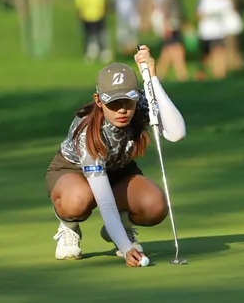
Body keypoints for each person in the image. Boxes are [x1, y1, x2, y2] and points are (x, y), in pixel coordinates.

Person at [45, 46, 186, 267]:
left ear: (136, 97)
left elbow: (176, 133)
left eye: (127, 101)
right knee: (79, 199)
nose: (122, 110)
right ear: (98, 100)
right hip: (73, 172)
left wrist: (152, 80)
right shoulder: (88, 132)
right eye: (113, 103)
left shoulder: (140, 106)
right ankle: (69, 227)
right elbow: (105, 203)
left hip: (118, 170)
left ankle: (120, 227)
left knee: (155, 205)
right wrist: (126, 248)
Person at [196, 0, 235, 80]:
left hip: (219, 31)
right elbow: (199, 14)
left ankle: (220, 73)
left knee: (220, 51)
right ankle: (201, 72)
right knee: (206, 54)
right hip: (207, 31)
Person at [157, 0, 189, 81]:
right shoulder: (168, 0)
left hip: (176, 28)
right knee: (177, 50)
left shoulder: (178, 1)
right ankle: (182, 74)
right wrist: (166, 28)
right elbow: (164, 14)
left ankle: (159, 74)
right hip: (170, 29)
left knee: (167, 53)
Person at [74, 0, 111, 64]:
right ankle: (90, 53)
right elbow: (79, 5)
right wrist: (80, 14)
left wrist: (103, 13)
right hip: (87, 18)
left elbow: (104, 5)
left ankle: (103, 52)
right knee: (89, 36)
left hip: (99, 17)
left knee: (100, 35)